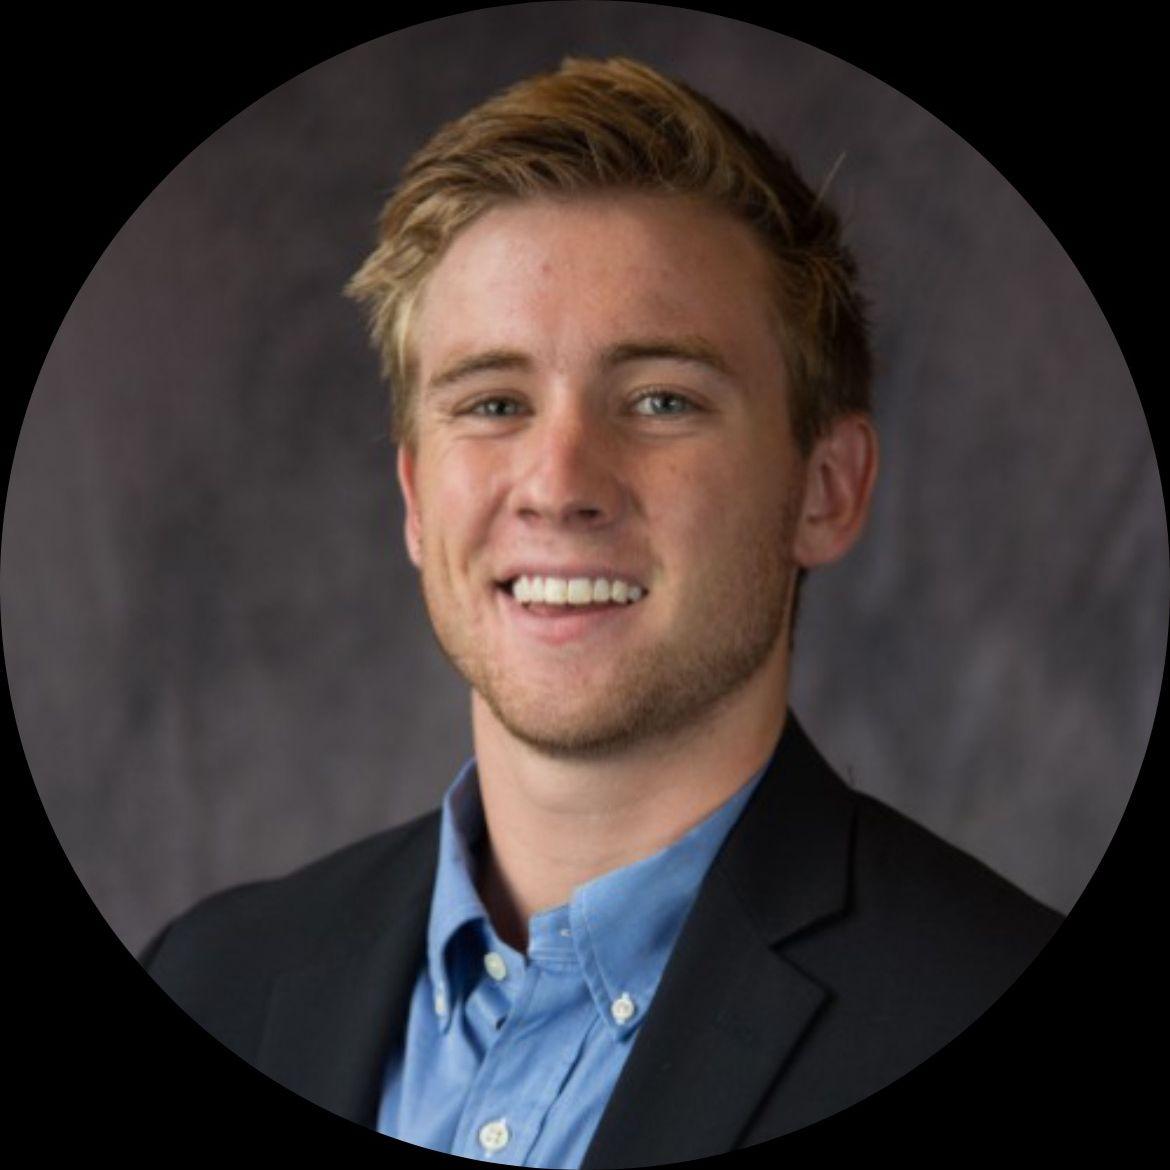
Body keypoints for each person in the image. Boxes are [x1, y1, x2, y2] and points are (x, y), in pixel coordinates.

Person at [140, 57, 1062, 1165]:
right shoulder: (212, 983)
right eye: (494, 402)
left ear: (826, 489)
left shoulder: (976, 993)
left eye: (662, 399)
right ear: (417, 500)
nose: (560, 482)